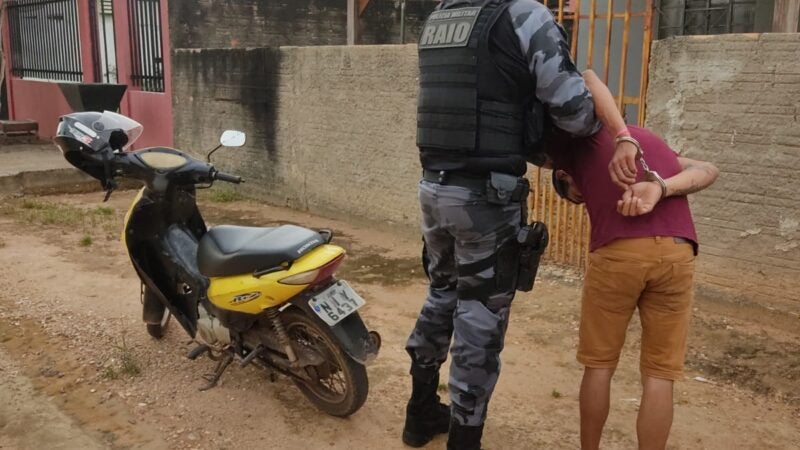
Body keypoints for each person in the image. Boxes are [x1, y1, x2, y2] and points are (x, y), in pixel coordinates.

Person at [402, 1, 636, 449]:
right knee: (480, 318)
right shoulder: (525, 13)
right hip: (486, 198)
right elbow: (575, 112)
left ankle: (420, 413)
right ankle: (464, 440)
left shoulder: (441, 15)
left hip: (434, 186)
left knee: (442, 293)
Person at [545, 101, 720, 450]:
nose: (581, 200)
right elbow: (708, 168)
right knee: (660, 374)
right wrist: (661, 187)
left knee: (599, 365)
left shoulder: (574, 151)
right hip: (677, 252)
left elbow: (588, 77)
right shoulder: (652, 142)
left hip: (619, 254)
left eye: (573, 198)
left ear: (564, 178)